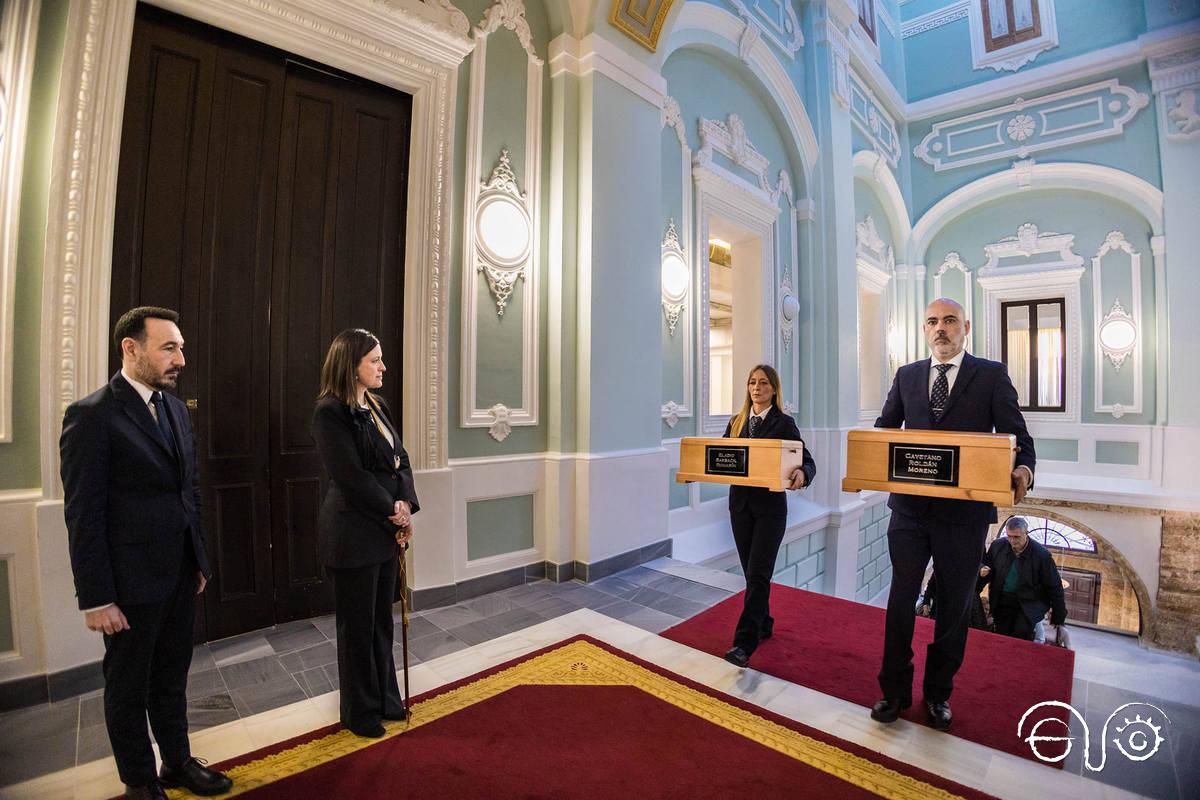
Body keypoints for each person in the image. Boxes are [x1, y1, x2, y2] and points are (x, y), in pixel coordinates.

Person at [60, 307, 233, 800]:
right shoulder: (92, 416)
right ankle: (139, 782)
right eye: (168, 348)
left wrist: (197, 558)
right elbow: (83, 515)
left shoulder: (175, 409)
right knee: (128, 687)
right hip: (129, 583)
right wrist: (96, 598)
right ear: (130, 349)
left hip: (179, 572)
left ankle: (176, 763)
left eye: (180, 347)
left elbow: (189, 489)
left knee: (172, 675)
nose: (181, 358)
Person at [871, 298, 1035, 731]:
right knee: (901, 600)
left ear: (965, 326)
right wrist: (873, 452)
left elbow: (1018, 435)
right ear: (924, 329)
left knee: (954, 608)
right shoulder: (906, 375)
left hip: (964, 515)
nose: (939, 329)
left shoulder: (991, 374)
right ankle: (893, 691)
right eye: (931, 322)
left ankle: (938, 694)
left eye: (948, 321)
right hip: (909, 511)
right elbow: (886, 428)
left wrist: (1024, 467)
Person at [312, 329, 419, 738]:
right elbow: (350, 476)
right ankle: (359, 711)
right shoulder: (329, 412)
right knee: (356, 627)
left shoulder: (378, 404)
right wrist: (391, 509)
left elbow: (401, 459)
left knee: (381, 623)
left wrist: (406, 502)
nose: (382, 367)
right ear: (350, 364)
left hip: (385, 529)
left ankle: (386, 699)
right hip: (352, 532)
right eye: (374, 360)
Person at [721, 364, 816, 668]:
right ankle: (765, 621)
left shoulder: (784, 423)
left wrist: (802, 472)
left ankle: (744, 643)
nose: (756, 387)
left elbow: (808, 460)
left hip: (770, 511)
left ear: (774, 389)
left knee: (759, 574)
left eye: (763, 383)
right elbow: (723, 459)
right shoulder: (735, 423)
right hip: (739, 508)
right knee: (753, 573)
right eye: (752, 382)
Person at [978, 517, 1067, 643]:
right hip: (1002, 600)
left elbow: (1054, 586)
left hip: (1028, 604)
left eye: (1016, 537)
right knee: (1000, 637)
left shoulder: (1041, 555)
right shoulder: (998, 546)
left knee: (1021, 638)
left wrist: (1059, 615)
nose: (1012, 541)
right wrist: (981, 571)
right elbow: (986, 566)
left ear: (1026, 534)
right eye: (1009, 536)